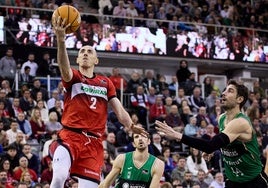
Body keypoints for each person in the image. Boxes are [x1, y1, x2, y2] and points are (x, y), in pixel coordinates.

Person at [51, 16, 147, 188]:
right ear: (78, 60)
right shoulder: (74, 77)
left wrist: (131, 126)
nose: (85, 54)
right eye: (82, 52)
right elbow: (64, 68)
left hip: (94, 144)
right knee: (58, 177)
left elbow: (119, 111)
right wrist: (61, 40)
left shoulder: (105, 83)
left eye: (89, 52)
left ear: (96, 60)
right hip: (70, 136)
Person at [156, 79, 268, 188]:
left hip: (253, 181)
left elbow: (210, 145)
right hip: (233, 180)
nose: (223, 93)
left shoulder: (240, 122)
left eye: (230, 91)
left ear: (239, 99)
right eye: (224, 90)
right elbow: (223, 141)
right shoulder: (222, 118)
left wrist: (177, 135)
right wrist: (214, 148)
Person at [98, 133, 164, 188]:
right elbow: (106, 184)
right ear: (133, 144)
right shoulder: (122, 158)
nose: (140, 138)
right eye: (136, 137)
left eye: (143, 136)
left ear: (149, 141)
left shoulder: (158, 164)